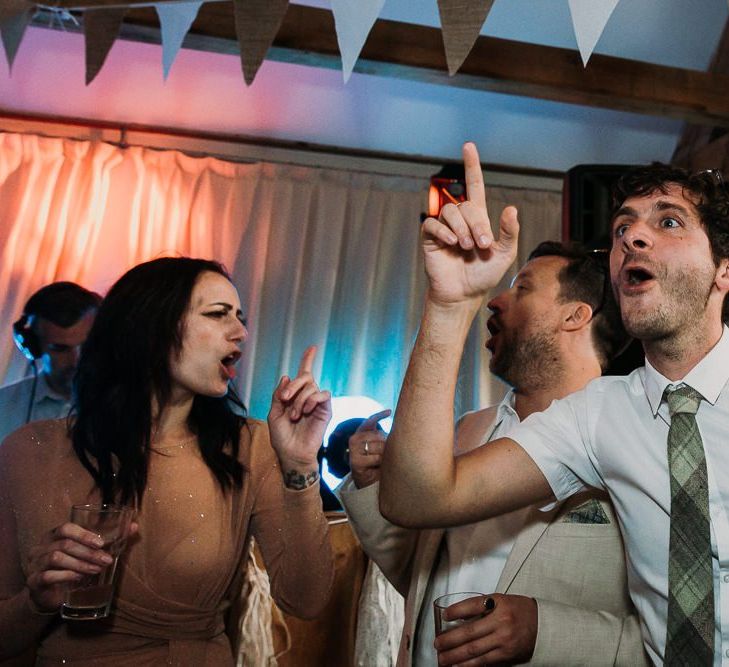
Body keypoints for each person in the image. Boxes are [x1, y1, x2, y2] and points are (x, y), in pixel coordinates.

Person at [379, 143, 729, 665]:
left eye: (670, 223)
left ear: (723, 272)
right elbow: (417, 498)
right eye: (622, 228)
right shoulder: (596, 416)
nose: (632, 237)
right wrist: (449, 307)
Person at [0, 257, 334, 665]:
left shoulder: (250, 446)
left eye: (241, 317)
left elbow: (307, 600)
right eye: (218, 315)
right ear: (150, 328)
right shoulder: (28, 450)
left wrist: (300, 466)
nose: (242, 332)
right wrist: (36, 601)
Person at [339, 242, 648, 665]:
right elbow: (421, 577)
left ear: (575, 315)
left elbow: (678, 636)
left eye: (522, 288)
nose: (496, 302)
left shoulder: (635, 439)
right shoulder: (469, 429)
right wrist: (374, 483)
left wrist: (544, 633)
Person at [0, 281, 101, 441]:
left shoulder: (128, 404)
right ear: (32, 345)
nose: (77, 361)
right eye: (60, 349)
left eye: (87, 346)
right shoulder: (4, 404)